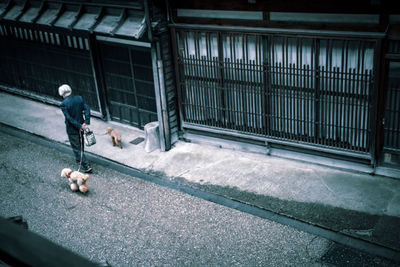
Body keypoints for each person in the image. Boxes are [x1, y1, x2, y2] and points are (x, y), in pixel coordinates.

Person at [59, 84, 93, 173]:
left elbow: (69, 118)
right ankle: (80, 159)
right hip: (82, 125)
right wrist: (86, 122)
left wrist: (79, 125)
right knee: (81, 144)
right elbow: (87, 109)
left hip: (72, 128)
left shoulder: (63, 104)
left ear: (62, 93)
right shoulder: (79, 98)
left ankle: (86, 165)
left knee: (76, 147)